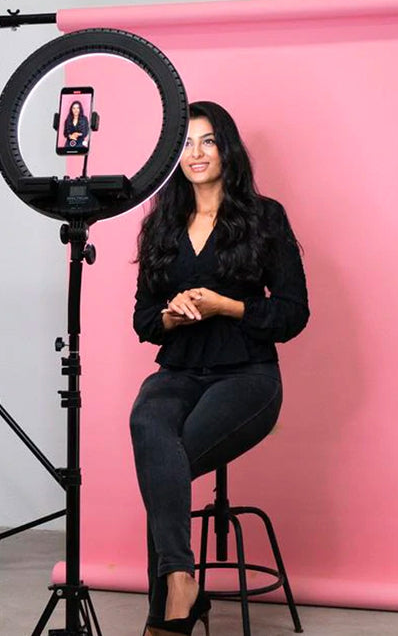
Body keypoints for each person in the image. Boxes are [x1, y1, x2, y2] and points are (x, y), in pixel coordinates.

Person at [130, 100, 309, 635]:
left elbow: (294, 313)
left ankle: (169, 610)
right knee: (148, 425)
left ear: (226, 149)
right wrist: (173, 314)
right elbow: (143, 320)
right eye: (185, 144)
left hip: (247, 374)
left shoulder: (263, 216)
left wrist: (226, 306)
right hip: (181, 369)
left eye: (206, 141)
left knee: (165, 467)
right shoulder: (162, 223)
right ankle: (182, 586)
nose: (196, 153)